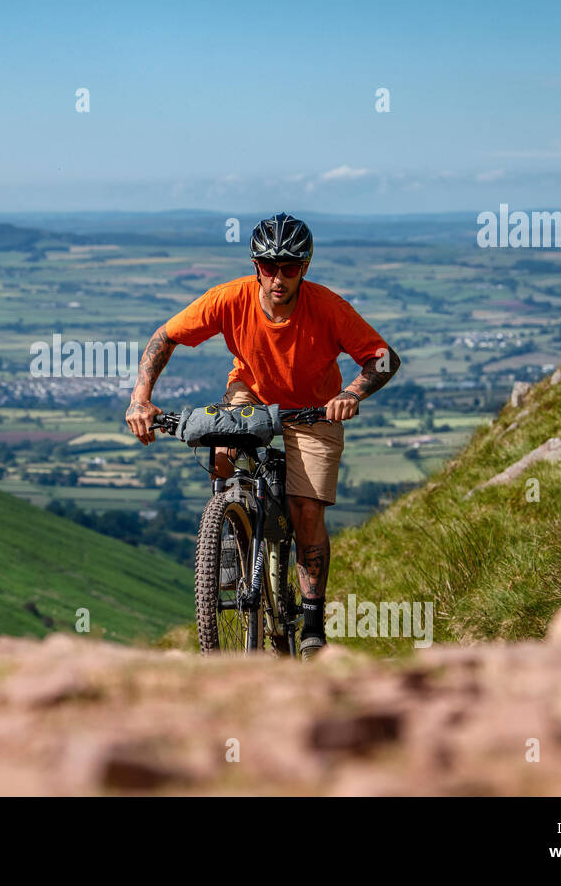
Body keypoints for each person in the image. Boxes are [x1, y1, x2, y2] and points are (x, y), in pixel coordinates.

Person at [125, 213, 400, 660]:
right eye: (268, 266)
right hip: (250, 396)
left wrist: (351, 393)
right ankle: (231, 527)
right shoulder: (229, 299)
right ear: (256, 265)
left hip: (314, 408)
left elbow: (384, 358)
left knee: (307, 508)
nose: (277, 277)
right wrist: (141, 397)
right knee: (220, 449)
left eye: (289, 267)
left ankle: (311, 624)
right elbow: (165, 337)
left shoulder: (327, 307)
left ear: (304, 267)